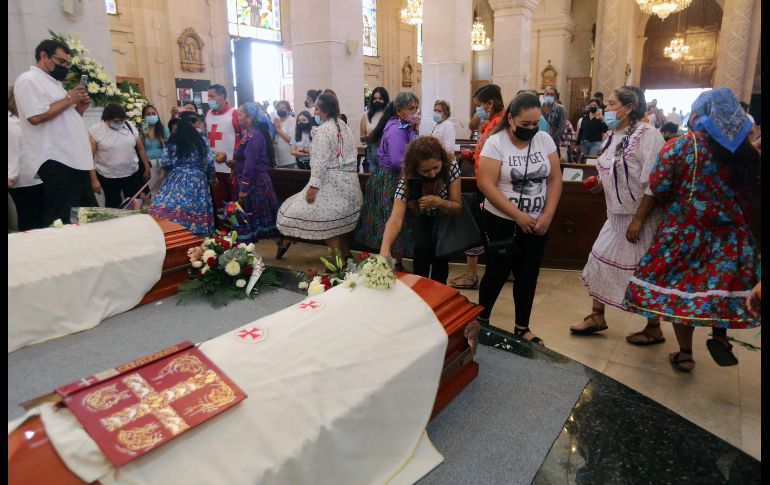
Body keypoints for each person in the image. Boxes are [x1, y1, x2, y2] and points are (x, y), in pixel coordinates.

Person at [624, 88, 761, 372]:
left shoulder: (682, 147)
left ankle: (685, 353)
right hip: (730, 235)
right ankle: (720, 337)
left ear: (699, 116)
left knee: (681, 293)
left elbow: (659, 186)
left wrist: (639, 219)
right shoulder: (746, 154)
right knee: (718, 289)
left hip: (685, 232)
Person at [570, 86, 666, 344]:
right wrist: (601, 185)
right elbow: (615, 169)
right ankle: (597, 315)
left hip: (640, 217)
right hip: (615, 214)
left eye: (611, 104)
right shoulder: (612, 134)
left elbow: (653, 183)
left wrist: (638, 220)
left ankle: (654, 326)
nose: (606, 110)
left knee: (642, 271)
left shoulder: (650, 136)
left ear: (629, 107)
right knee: (599, 259)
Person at [475, 91, 563, 345]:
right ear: (511, 119)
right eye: (526, 124)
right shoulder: (496, 142)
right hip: (502, 220)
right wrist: (517, 216)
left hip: (537, 222)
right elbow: (486, 184)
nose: (532, 129)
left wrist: (547, 214)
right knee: (497, 272)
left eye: (536, 124)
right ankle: (481, 321)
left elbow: (555, 178)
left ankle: (522, 327)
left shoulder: (544, 140)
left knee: (528, 275)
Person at [13, 38, 97, 226]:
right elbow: (35, 117)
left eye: (67, 63)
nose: (65, 67)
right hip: (57, 159)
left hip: (73, 159)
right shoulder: (29, 80)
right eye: (61, 62)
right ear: (44, 56)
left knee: (84, 215)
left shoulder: (54, 84)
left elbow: (63, 120)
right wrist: (69, 99)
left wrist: (79, 108)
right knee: (63, 217)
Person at [277, 93, 363, 259]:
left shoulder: (323, 131)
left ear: (325, 111)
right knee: (338, 225)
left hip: (330, 184)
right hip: (350, 184)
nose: (314, 113)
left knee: (325, 225)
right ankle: (346, 256)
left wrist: (314, 187)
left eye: (316, 109)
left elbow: (319, 161)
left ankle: (338, 264)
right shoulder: (343, 126)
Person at [380, 136, 462, 284]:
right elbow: (395, 219)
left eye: (436, 167)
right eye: (425, 171)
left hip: (444, 216)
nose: (432, 174)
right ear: (415, 169)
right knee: (421, 250)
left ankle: (439, 291)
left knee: (440, 257)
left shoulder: (451, 165)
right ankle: (420, 288)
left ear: (441, 160)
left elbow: (457, 207)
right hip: (419, 214)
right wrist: (385, 249)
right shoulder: (408, 178)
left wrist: (439, 202)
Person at [450, 84, 505, 290]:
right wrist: (474, 158)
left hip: (492, 188)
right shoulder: (492, 123)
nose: (477, 110)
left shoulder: (500, 125)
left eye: (480, 106)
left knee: (480, 230)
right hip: (486, 185)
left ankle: (477, 275)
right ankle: (483, 273)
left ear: (490, 104)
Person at [354, 92, 420, 263]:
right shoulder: (397, 129)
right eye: (411, 108)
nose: (415, 112)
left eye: (416, 108)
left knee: (395, 219)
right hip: (391, 179)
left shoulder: (402, 125)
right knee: (392, 219)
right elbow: (398, 161)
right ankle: (389, 259)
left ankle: (394, 259)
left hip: (393, 176)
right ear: (399, 111)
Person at [148, 111, 215, 236]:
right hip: (197, 179)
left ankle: (173, 234)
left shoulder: (172, 140)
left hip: (176, 177)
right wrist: (211, 177)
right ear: (194, 124)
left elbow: (165, 162)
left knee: (170, 206)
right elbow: (209, 162)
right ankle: (194, 239)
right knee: (195, 210)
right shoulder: (202, 141)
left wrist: (176, 169)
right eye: (197, 122)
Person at [233, 102, 281, 243]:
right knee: (258, 218)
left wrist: (244, 187)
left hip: (255, 183)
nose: (238, 117)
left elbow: (250, 164)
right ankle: (279, 241)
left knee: (255, 218)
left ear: (249, 118)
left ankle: (253, 251)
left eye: (240, 114)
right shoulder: (249, 135)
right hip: (255, 181)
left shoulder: (253, 136)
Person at [88, 103, 151, 208]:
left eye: (122, 120)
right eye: (116, 121)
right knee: (113, 206)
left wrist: (147, 167)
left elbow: (140, 149)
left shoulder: (129, 125)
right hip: (108, 176)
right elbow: (90, 157)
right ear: (106, 119)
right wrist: (94, 180)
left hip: (131, 173)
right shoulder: (96, 130)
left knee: (135, 204)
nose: (120, 123)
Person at [8, 86, 45, 231]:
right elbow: (12, 152)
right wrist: (10, 175)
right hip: (22, 181)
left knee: (38, 222)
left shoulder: (24, 120)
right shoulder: (11, 123)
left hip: (35, 178)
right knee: (28, 222)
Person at [205, 84, 241, 230]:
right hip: (214, 167)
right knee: (219, 200)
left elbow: (243, 138)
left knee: (234, 200)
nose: (209, 99)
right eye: (209, 96)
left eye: (212, 96)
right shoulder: (208, 114)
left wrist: (238, 161)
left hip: (231, 166)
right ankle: (222, 229)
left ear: (222, 96)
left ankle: (237, 229)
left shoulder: (235, 113)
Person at [140, 104, 170, 198]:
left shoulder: (164, 129)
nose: (151, 116)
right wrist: (143, 134)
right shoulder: (142, 131)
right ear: (144, 117)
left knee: (166, 191)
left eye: (153, 113)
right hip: (150, 165)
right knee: (154, 192)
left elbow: (170, 147)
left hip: (164, 164)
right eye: (148, 114)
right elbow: (141, 149)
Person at [360, 87, 389, 173]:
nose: (377, 101)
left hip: (385, 152)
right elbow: (361, 138)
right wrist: (368, 136)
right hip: (371, 151)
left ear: (385, 99)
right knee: (372, 180)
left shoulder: (389, 115)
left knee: (384, 180)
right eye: (375, 98)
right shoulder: (366, 115)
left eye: (380, 98)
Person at [542, 86, 566, 159]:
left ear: (555, 96)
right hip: (539, 143)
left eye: (552, 94)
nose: (549, 96)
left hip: (553, 144)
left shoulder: (560, 109)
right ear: (544, 95)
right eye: (547, 94)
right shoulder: (538, 108)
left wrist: (549, 138)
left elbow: (561, 128)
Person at [273, 100, 296, 168]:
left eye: (283, 108)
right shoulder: (277, 122)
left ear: (288, 110)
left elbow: (292, 140)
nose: (280, 110)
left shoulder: (292, 121)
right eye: (278, 108)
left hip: (289, 160)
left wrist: (278, 130)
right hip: (278, 160)